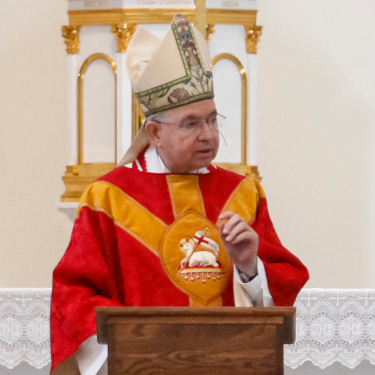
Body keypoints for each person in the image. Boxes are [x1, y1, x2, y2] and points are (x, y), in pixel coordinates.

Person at [50, 14, 309, 375]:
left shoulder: (243, 193)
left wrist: (250, 267)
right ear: (154, 132)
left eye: (213, 119)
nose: (208, 134)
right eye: (191, 123)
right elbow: (74, 294)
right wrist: (128, 359)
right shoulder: (107, 198)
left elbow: (277, 300)